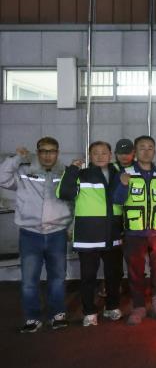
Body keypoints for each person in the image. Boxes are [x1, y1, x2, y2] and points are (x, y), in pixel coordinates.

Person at [0, 137, 73, 333]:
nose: (48, 155)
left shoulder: (65, 173)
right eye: (43, 151)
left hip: (57, 233)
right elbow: (2, 178)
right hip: (30, 234)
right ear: (37, 152)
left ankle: (57, 315)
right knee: (29, 281)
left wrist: (71, 227)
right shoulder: (24, 172)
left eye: (52, 151)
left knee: (57, 278)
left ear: (57, 153)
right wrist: (16, 158)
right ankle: (32, 318)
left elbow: (74, 201)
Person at [56, 141, 123, 327]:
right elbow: (64, 193)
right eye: (95, 153)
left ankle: (112, 307)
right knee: (88, 277)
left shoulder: (119, 174)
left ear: (110, 155)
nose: (100, 156)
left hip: (113, 234)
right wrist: (72, 170)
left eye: (104, 152)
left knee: (114, 275)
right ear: (90, 156)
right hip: (88, 236)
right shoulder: (82, 174)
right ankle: (89, 312)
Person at [113, 135, 156, 325]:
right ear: (135, 152)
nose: (146, 151)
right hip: (134, 232)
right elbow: (117, 200)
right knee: (135, 272)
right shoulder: (125, 173)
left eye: (150, 148)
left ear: (154, 152)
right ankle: (139, 307)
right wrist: (123, 184)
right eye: (142, 147)